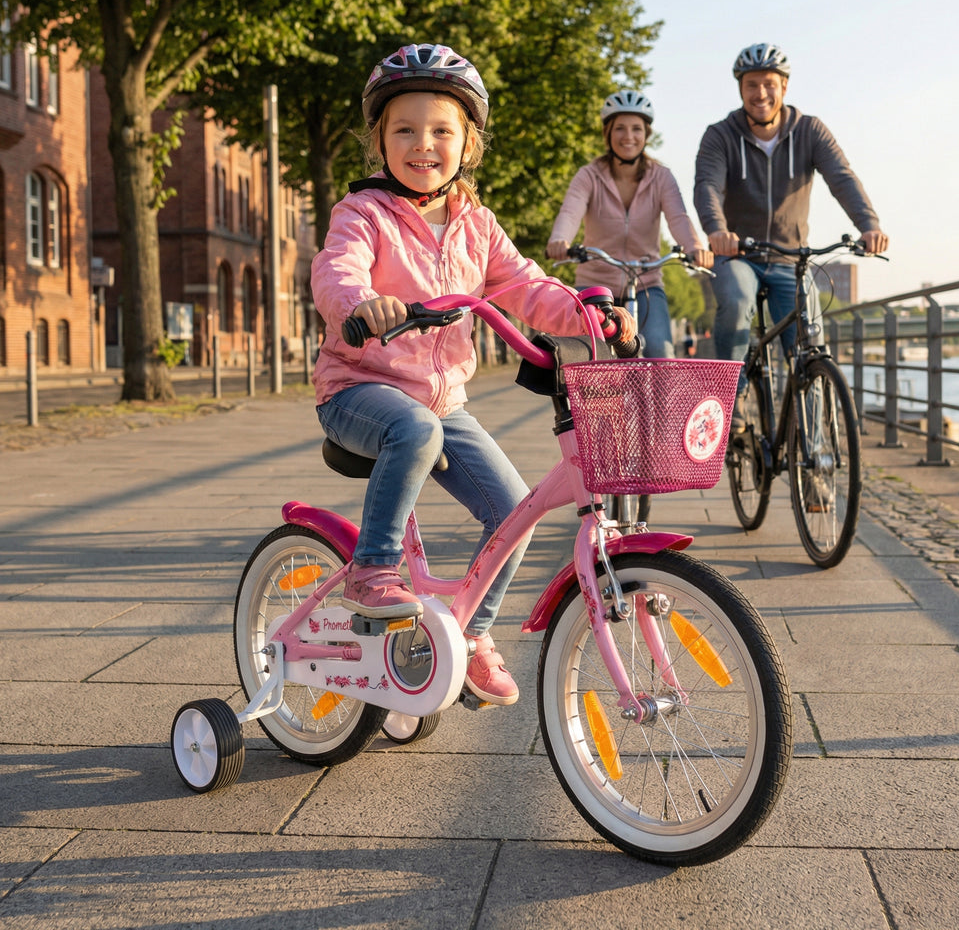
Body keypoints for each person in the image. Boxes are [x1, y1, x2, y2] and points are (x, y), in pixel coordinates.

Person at [310, 44, 635, 707]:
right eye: (404, 129)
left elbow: (526, 286)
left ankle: (470, 633)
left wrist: (589, 314)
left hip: (443, 402)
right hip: (358, 389)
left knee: (514, 509)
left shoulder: (476, 226)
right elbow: (336, 268)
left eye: (441, 131)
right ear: (379, 140)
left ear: (467, 145)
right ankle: (373, 569)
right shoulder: (363, 213)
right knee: (415, 429)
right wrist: (360, 304)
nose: (422, 144)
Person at [693, 43, 889, 429]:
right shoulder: (720, 136)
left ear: (784, 86)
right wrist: (717, 231)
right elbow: (707, 186)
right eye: (751, 84)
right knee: (736, 300)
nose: (760, 93)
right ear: (740, 89)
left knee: (809, 345)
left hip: (789, 257)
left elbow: (841, 177)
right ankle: (729, 403)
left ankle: (814, 446)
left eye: (769, 84)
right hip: (739, 254)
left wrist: (868, 224)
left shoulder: (809, 131)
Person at [546, 91, 712, 358]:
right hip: (595, 284)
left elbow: (678, 217)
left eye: (636, 129)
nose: (628, 136)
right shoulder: (589, 176)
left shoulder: (662, 177)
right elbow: (570, 212)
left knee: (660, 350)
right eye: (620, 128)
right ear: (608, 133)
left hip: (647, 284)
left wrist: (695, 248)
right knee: (585, 354)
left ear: (646, 134)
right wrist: (559, 241)